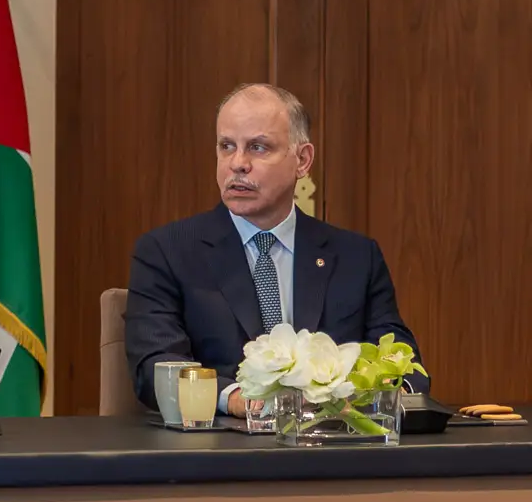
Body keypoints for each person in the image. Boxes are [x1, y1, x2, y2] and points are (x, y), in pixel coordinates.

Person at [124, 83, 425, 414]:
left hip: (331, 437)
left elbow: (402, 363)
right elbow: (156, 365)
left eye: (258, 147)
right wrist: (238, 400)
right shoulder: (166, 252)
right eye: (227, 146)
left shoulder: (356, 257)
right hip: (220, 439)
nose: (238, 163)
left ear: (302, 160)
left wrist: (369, 396)